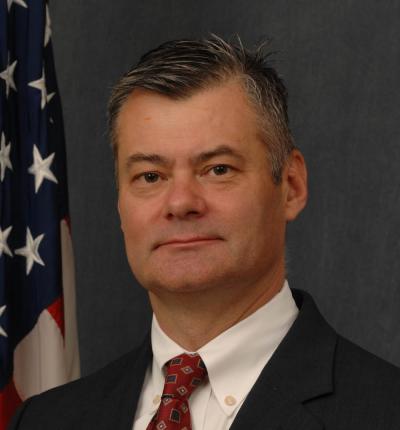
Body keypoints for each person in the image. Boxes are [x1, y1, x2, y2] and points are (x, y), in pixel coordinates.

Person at [8, 35, 400, 430]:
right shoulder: (44, 421)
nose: (180, 203)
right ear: (121, 205)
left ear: (292, 186)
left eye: (218, 169)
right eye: (150, 176)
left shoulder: (385, 411)